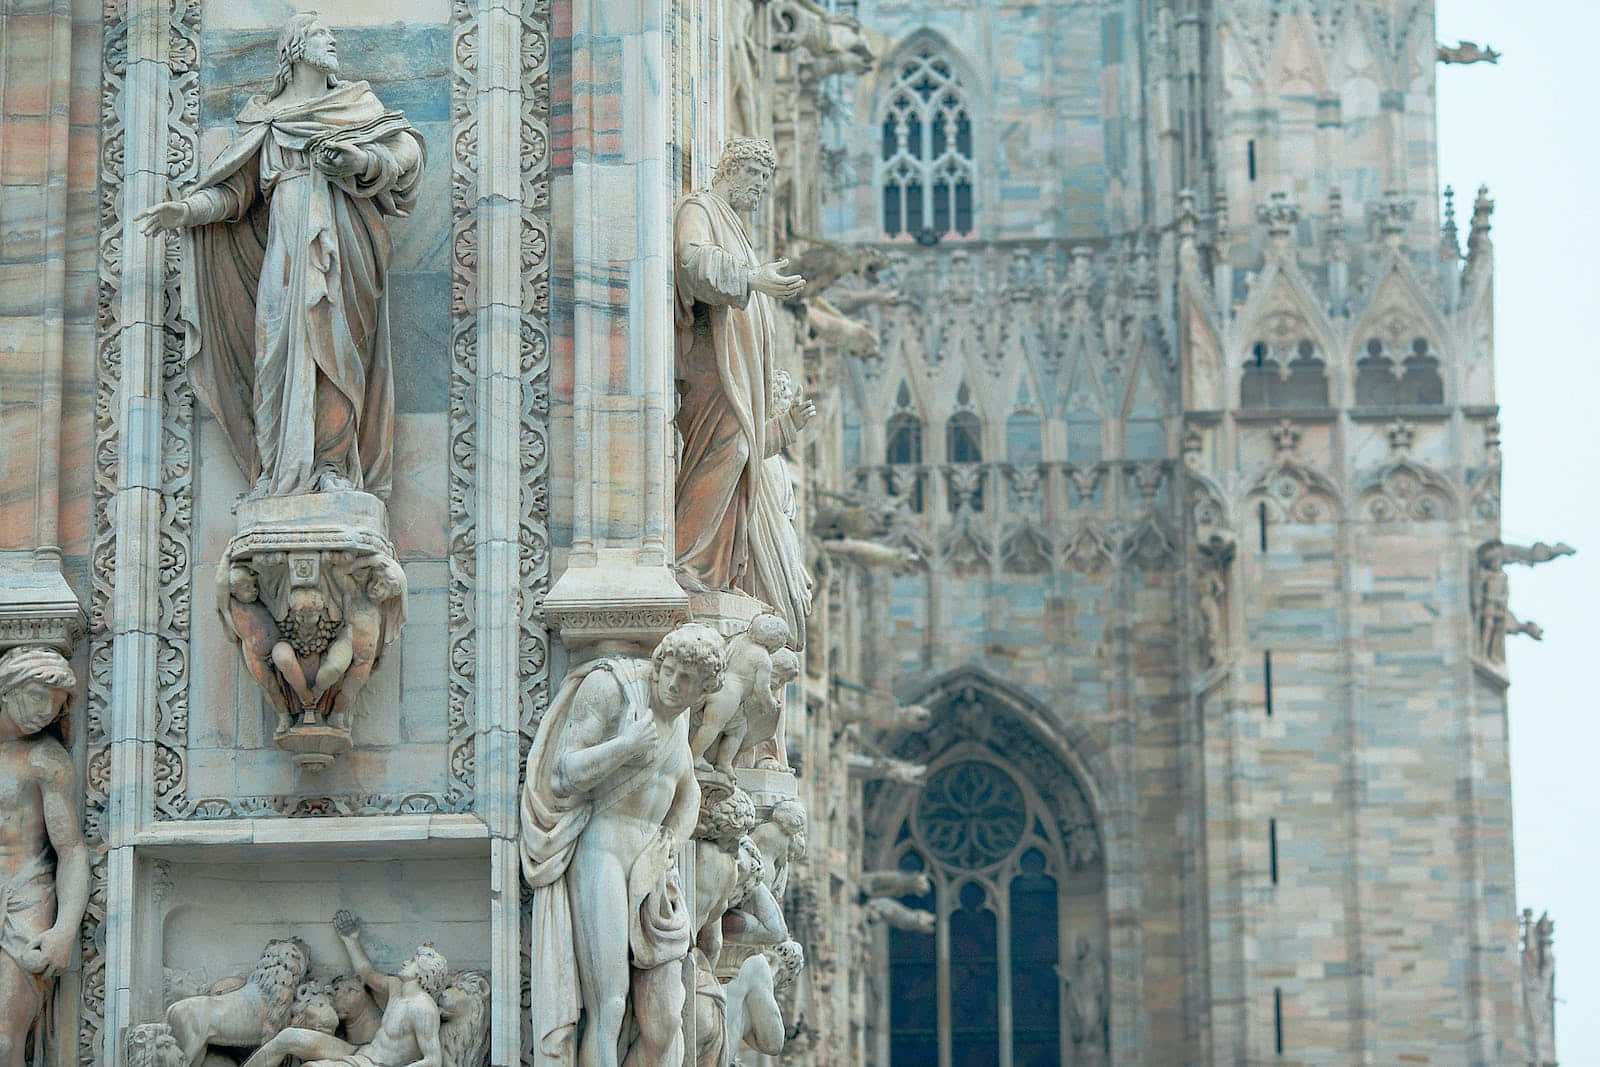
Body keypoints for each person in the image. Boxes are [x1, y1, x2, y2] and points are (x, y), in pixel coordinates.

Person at [135, 13, 425, 500]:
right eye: (319, 34)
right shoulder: (266, 119)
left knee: (336, 354)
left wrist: (362, 161)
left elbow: (407, 154)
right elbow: (235, 193)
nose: (332, 40)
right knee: (274, 352)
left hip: (346, 250)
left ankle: (332, 467)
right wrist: (184, 210)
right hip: (285, 257)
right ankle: (276, 471)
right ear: (294, 49)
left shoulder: (355, 104)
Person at [520, 623, 726, 1066]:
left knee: (668, 1016)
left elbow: (689, 791)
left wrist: (672, 837)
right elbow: (563, 774)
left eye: (688, 681)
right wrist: (625, 746)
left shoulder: (680, 716)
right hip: (602, 853)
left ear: (703, 691)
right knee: (610, 1006)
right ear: (659, 662)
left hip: (653, 866)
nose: (674, 684)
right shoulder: (613, 686)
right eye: (670, 670)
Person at [673, 138, 816, 593]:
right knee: (729, 450)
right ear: (726, 171)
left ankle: (713, 572)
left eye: (764, 178)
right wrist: (752, 277)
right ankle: (689, 560)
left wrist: (787, 423)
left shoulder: (736, 228)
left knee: (741, 453)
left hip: (738, 369)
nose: (758, 186)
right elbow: (690, 258)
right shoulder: (700, 208)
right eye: (752, 174)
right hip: (712, 365)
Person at [0, 646, 89, 1067]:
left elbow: (70, 850)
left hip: (22, 903)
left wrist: (64, 931)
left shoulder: (45, 760)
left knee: (2, 1041)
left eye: (54, 707)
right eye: (38, 697)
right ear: (7, 688)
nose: (45, 713)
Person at [241, 912, 446, 1067]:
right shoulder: (395, 986)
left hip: (374, 1065)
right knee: (289, 1037)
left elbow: (433, 1061)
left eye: (412, 961)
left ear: (423, 973)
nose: (404, 962)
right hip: (360, 1051)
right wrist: (351, 940)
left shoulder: (423, 1008)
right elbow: (365, 973)